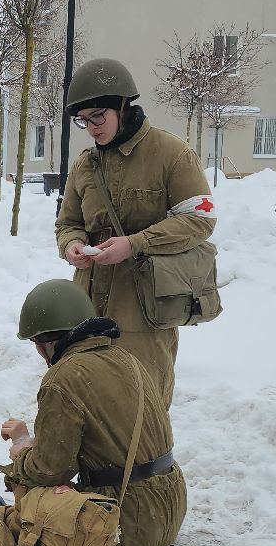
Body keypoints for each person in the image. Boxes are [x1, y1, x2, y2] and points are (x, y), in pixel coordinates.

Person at [0, 280, 198, 546]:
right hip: (168, 502)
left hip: (125, 511)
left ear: (45, 341)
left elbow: (50, 470)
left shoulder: (64, 377)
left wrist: (20, 457)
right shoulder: (127, 358)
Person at [53, 58, 218, 408]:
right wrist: (72, 245)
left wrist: (135, 244)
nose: (92, 127)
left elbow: (200, 220)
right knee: (88, 401)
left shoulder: (171, 154)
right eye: (83, 120)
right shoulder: (85, 164)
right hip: (88, 302)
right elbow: (68, 222)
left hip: (145, 304)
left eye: (98, 116)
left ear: (123, 106)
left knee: (143, 404)